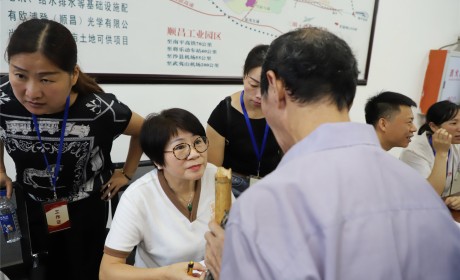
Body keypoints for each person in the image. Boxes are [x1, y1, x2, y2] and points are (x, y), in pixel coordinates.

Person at [216, 27, 460, 279]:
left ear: (275, 87)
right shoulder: (418, 190)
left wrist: (226, 266)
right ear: (348, 97)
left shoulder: (262, 208)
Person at [0, 19, 144, 280]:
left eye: (46, 79)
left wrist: (127, 173)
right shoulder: (3, 97)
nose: (31, 92)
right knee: (38, 270)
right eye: (19, 75)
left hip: (85, 209)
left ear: (73, 74)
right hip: (32, 204)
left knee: (83, 271)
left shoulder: (99, 109)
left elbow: (145, 129)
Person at [100, 108, 233, 279]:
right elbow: (107, 272)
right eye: (180, 147)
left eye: (198, 142)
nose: (194, 154)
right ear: (157, 161)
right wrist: (166, 274)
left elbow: (234, 234)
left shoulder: (217, 177)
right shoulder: (138, 197)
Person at [206, 45, 282, 197]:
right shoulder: (224, 113)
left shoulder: (282, 110)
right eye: (253, 85)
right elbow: (213, 171)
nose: (259, 95)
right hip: (232, 189)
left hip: (272, 187)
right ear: (244, 75)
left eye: (269, 87)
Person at [400, 100, 460, 210]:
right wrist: (442, 153)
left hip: (438, 208)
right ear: (434, 127)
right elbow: (429, 194)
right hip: (413, 209)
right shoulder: (414, 152)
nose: (459, 128)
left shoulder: (455, 144)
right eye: (454, 123)